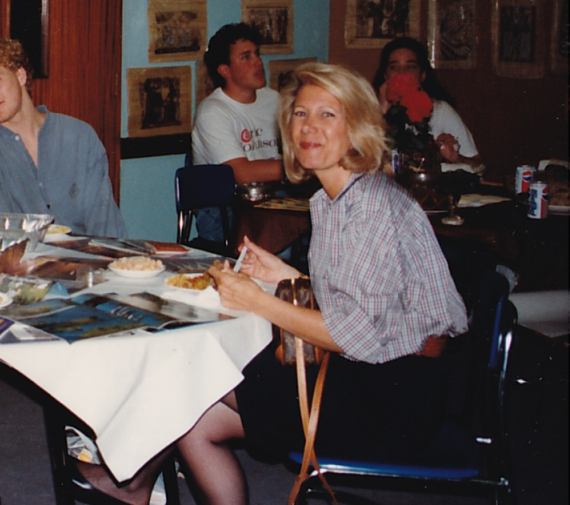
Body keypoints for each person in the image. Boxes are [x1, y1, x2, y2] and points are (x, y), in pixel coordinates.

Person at [171, 62, 469, 505]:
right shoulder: (333, 199)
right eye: (301, 114)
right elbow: (364, 298)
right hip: (377, 375)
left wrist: (260, 300)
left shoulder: (369, 207)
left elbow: (358, 335)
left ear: (358, 127)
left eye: (328, 115)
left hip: (395, 397)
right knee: (191, 417)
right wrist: (287, 277)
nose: (309, 128)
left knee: (203, 373)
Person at [0, 38, 127, 238]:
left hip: (90, 263)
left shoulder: (79, 137)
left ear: (20, 75)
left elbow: (105, 225)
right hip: (22, 266)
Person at [192, 23, 283, 183]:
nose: (259, 62)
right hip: (228, 203)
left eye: (257, 54)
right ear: (225, 71)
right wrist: (302, 168)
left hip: (274, 194)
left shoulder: (274, 99)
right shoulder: (211, 112)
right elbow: (241, 174)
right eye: (246, 57)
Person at [372, 36, 481, 167]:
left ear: (422, 75)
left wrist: (456, 158)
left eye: (410, 67)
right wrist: (382, 111)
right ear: (385, 75)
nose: (402, 74)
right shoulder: (368, 110)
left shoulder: (440, 110)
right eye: (394, 68)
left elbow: (479, 165)